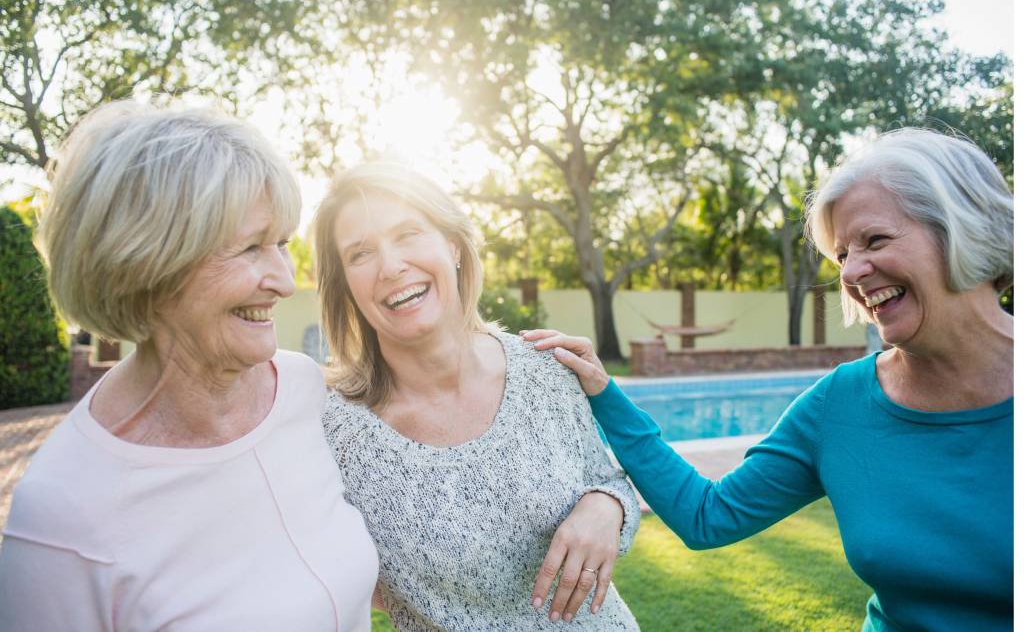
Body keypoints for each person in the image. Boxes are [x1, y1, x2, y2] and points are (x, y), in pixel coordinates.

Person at [525, 128, 1012, 631]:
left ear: (964, 229)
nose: (852, 272)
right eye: (843, 254)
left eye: (875, 240)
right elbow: (707, 516)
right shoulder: (839, 404)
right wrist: (605, 394)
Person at [0, 102, 378, 631]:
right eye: (250, 247)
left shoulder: (300, 388)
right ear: (145, 263)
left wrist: (541, 485)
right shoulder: (61, 515)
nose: (284, 280)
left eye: (282, 244)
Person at [314, 163, 641, 630]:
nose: (390, 267)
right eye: (361, 253)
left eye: (407, 233)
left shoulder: (546, 367)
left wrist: (607, 507)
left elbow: (608, 478)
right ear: (345, 284)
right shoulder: (333, 430)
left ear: (453, 246)